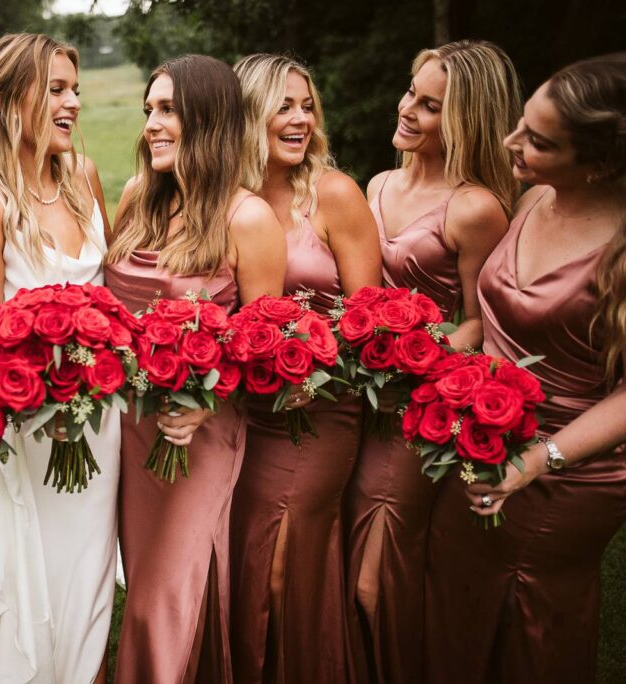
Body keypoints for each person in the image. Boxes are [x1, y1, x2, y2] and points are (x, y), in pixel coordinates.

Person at [425, 52, 626, 683]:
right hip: (482, 436)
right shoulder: (534, 196)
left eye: (538, 141)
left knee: (530, 622)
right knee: (454, 603)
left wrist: (539, 460)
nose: (512, 142)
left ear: (601, 164)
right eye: (521, 124)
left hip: (569, 470)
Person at [104, 54, 286, 683]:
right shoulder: (138, 198)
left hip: (198, 433)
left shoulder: (247, 218)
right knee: (147, 583)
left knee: (162, 596)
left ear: (209, 118)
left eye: (168, 110)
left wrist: (206, 402)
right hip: (129, 429)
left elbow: (261, 344)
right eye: (148, 110)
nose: (151, 124)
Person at [343, 41, 520, 684]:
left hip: (418, 410)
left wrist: (416, 353)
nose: (407, 109)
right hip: (355, 396)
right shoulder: (378, 184)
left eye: (430, 105)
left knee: (374, 579)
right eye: (410, 92)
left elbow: (481, 320)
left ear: (466, 119)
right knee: (346, 558)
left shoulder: (475, 207)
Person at [0, 32, 118, 683]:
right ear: (3, 100)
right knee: (44, 579)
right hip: (36, 428)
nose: (71, 102)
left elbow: (109, 300)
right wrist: (52, 391)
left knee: (93, 575)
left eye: (74, 89)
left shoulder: (83, 177)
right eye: (54, 90)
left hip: (103, 420)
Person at [229, 53, 381, 683]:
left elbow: (370, 319)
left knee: (282, 563)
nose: (300, 120)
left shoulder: (334, 195)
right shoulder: (221, 198)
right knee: (245, 558)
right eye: (283, 106)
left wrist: (308, 361)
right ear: (246, 115)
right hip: (240, 412)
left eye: (307, 106)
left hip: (320, 412)